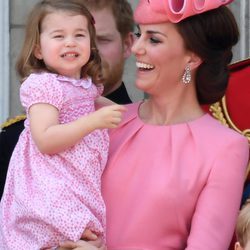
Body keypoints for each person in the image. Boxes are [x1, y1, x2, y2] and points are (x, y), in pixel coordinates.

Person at [59, 0, 250, 249]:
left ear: (192, 58)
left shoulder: (225, 148)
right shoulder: (102, 119)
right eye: (140, 34)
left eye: (154, 39)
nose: (137, 47)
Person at [0, 0, 126, 249]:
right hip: (49, 181)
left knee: (86, 229)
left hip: (76, 178)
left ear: (90, 45)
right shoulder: (44, 86)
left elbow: (107, 107)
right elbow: (46, 140)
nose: (70, 42)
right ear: (38, 50)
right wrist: (92, 122)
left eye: (79, 35)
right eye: (59, 36)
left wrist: (135, 116)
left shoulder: (85, 86)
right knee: (56, 222)